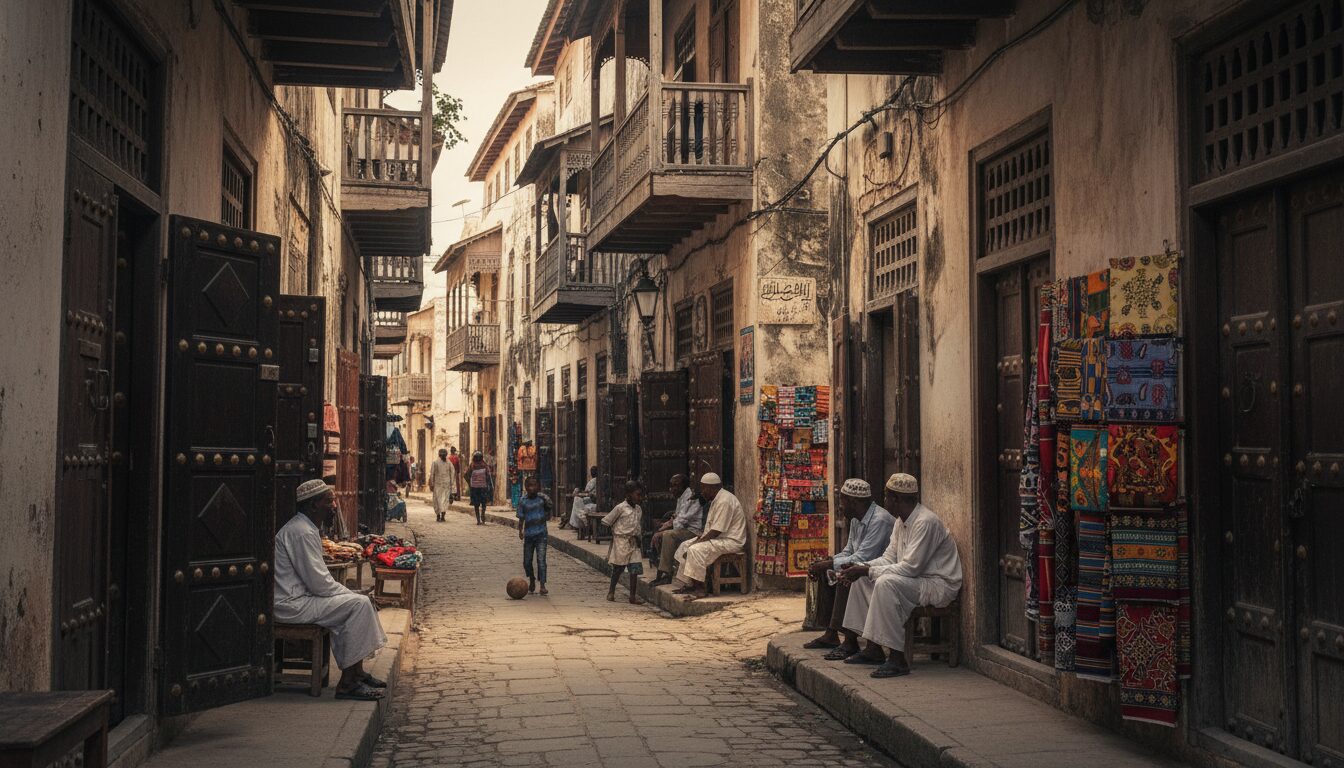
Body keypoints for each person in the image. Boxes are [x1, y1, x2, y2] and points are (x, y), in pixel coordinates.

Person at [835, 473, 963, 678]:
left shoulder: (925, 522)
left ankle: (897, 659)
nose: (884, 502)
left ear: (896, 499)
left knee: (886, 583)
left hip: (939, 584)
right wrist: (860, 567)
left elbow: (911, 568)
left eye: (887, 497)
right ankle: (873, 649)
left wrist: (867, 570)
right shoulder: (900, 522)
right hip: (916, 580)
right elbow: (888, 558)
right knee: (861, 581)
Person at [274, 480, 388, 700]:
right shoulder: (302, 532)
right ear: (314, 505)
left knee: (361, 601)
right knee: (358, 604)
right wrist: (349, 594)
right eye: (329, 501)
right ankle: (347, 683)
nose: (334, 506)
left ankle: (357, 673)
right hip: (291, 604)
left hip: (301, 599)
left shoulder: (306, 528)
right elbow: (319, 583)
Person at [804, 478, 896, 652]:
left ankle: (850, 640)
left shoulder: (880, 520)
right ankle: (831, 633)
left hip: (878, 569)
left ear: (854, 502)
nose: (841, 506)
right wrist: (826, 563)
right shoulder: (856, 519)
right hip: (865, 565)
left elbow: (865, 556)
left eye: (843, 501)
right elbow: (849, 551)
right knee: (829, 569)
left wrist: (830, 564)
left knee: (846, 574)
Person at [672, 473, 747, 600]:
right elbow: (712, 528)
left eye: (703, 489)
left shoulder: (725, 501)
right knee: (684, 545)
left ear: (711, 488)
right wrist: (699, 539)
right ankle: (690, 584)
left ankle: (701, 588)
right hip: (720, 538)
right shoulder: (716, 499)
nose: (702, 492)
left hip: (731, 541)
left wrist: (699, 542)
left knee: (695, 550)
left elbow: (717, 530)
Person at [649, 474, 702, 587]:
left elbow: (681, 521)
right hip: (684, 529)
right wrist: (664, 526)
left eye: (675, 486)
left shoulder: (691, 497)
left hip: (693, 531)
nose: (672, 489)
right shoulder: (681, 497)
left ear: (683, 486)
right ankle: (660, 570)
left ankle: (666, 573)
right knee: (661, 532)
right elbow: (677, 516)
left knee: (668, 535)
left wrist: (664, 530)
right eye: (671, 486)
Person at [602, 480, 645, 605]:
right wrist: (615, 532)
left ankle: (632, 596)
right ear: (629, 495)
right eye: (637, 494)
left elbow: (637, 524)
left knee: (634, 569)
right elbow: (607, 521)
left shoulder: (638, 509)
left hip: (634, 541)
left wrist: (638, 537)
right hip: (621, 541)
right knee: (618, 568)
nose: (640, 497)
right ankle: (611, 591)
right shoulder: (620, 508)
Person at [516, 475, 552, 595]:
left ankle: (542, 585)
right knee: (527, 561)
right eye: (529, 485)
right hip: (529, 535)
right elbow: (521, 519)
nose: (532, 488)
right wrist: (520, 531)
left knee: (541, 560)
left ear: (538, 487)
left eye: (534, 485)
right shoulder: (523, 501)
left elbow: (550, 506)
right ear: (526, 487)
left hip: (541, 534)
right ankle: (531, 578)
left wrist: (544, 496)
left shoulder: (542, 499)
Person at [428, 448, 457, 522]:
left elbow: (432, 474)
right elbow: (452, 473)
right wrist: (452, 484)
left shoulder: (435, 462)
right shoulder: (448, 463)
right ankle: (442, 516)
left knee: (438, 500)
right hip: (444, 485)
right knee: (444, 501)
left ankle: (438, 516)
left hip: (439, 485)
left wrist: (431, 484)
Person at [568, 466, 598, 534]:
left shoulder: (594, 480)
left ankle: (576, 524)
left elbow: (587, 491)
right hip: (592, 498)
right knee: (577, 500)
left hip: (593, 500)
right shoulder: (595, 480)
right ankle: (575, 524)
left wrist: (579, 493)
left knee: (577, 500)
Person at [467, 451, 494, 525]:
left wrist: (470, 483)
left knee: (476, 504)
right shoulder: (485, 465)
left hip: (474, 488)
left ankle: (478, 520)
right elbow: (488, 476)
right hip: (483, 487)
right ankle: (483, 514)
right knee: (483, 503)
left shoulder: (472, 465)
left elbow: (467, 475)